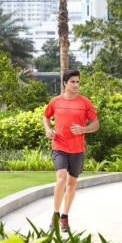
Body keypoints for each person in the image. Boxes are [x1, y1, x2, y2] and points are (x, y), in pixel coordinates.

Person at [43, 69, 99, 232]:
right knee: (61, 179)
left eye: (78, 81)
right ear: (65, 83)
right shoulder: (56, 101)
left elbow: (95, 124)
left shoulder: (85, 102)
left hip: (77, 149)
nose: (76, 84)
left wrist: (83, 129)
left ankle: (64, 217)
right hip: (59, 146)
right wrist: (48, 129)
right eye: (73, 81)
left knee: (71, 184)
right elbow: (46, 116)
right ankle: (55, 215)